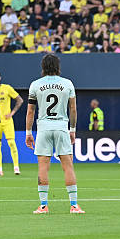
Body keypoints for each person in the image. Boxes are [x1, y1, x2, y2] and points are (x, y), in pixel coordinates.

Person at [25, 54, 84, 214]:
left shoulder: (35, 85)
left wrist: (28, 132)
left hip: (43, 128)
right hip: (61, 127)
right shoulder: (67, 83)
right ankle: (74, 205)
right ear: (58, 66)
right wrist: (72, 130)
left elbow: (30, 111)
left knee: (43, 167)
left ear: (43, 67)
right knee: (68, 166)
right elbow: (73, 109)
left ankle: (43, 206)